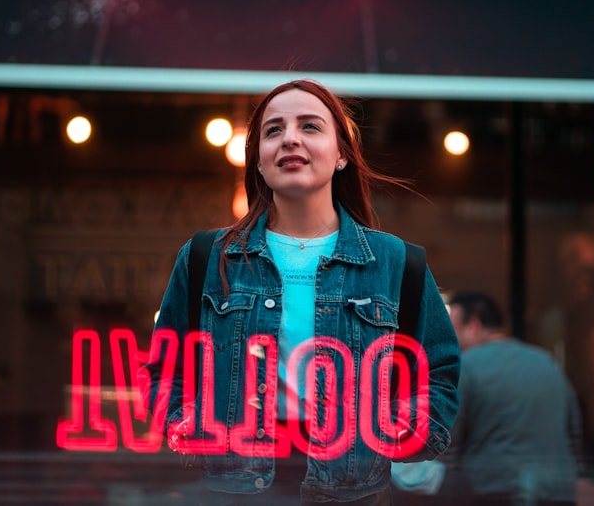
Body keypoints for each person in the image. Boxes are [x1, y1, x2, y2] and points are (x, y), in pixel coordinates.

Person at [140, 79, 461, 505]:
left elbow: (438, 373)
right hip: (235, 490)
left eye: (310, 127)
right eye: (273, 131)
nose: (289, 138)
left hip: (353, 491)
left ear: (342, 155)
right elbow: (164, 370)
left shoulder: (396, 263)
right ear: (256, 161)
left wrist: (392, 438)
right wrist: (192, 432)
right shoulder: (207, 256)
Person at [446, 292, 581, 506]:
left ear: (473, 326)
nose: (449, 338)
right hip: (556, 491)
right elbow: (574, 433)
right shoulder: (547, 363)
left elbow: (448, 445)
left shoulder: (466, 367)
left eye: (452, 329)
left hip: (493, 492)